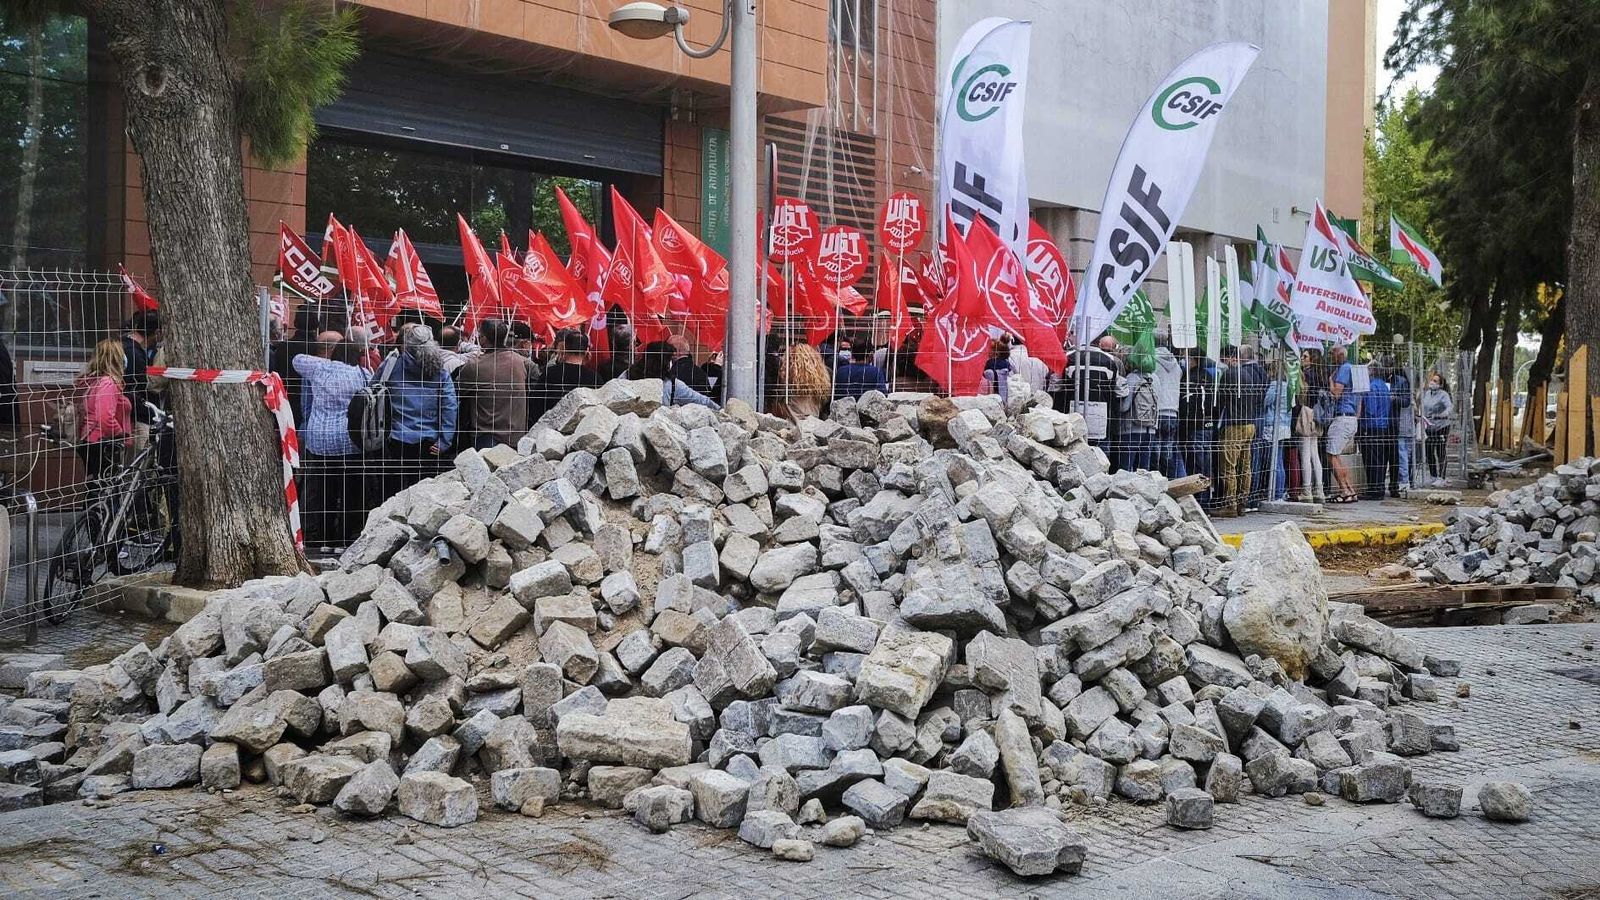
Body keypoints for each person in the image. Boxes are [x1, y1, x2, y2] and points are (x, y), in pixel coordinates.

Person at [293, 335, 367, 547]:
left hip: (319, 439)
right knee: (349, 492)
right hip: (348, 440)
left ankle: (323, 537)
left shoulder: (318, 369)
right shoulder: (362, 373)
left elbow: (297, 359)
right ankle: (344, 537)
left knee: (323, 491)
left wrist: (329, 360)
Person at [379, 324, 459, 503]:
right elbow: (449, 406)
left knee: (393, 495)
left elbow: (374, 390)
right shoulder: (439, 370)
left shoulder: (392, 365)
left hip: (396, 440)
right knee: (423, 498)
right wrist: (445, 440)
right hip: (429, 443)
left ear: (406, 344)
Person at [457, 319, 539, 450]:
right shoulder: (524, 363)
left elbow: (455, 393)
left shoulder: (474, 366)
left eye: (479, 335)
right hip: (516, 437)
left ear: (483, 338)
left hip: (486, 438)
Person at [1214, 346, 1266, 516]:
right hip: (1249, 424)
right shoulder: (1248, 374)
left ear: (1231, 358)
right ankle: (1242, 502)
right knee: (1245, 466)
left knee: (1228, 466)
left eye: (1224, 359)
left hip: (1234, 424)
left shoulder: (1229, 374)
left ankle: (1230, 504)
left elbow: (1220, 400)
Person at [75, 339, 132, 485]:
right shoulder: (108, 383)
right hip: (103, 442)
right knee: (105, 486)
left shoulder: (95, 381)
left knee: (95, 486)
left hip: (92, 440)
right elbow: (105, 416)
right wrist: (120, 434)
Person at [1060, 335, 1123, 450]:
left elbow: (1056, 386)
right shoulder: (1110, 360)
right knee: (1100, 453)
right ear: (1098, 343)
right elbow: (1119, 390)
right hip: (1101, 416)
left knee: (1072, 450)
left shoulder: (1068, 357)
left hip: (1072, 414)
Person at [531, 328, 602, 422]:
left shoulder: (550, 373)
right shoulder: (594, 378)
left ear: (565, 349)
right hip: (582, 427)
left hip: (551, 426)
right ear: (586, 352)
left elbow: (536, 405)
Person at [1178, 350, 1217, 506]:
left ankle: (1198, 500)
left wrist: (1184, 423)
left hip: (1195, 425)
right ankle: (1205, 500)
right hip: (1208, 424)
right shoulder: (1208, 376)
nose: (1184, 360)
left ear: (1193, 359)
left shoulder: (1189, 378)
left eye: (1186, 357)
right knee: (1205, 463)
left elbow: (1187, 404)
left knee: (1196, 463)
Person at [631, 340, 720, 408]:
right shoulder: (672, 384)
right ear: (666, 362)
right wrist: (720, 410)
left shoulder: (629, 375)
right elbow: (703, 401)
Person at [1324, 345, 1362, 502]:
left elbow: (1336, 393)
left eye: (1332, 354)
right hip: (1351, 418)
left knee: (1331, 456)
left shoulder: (1344, 369)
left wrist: (1330, 381)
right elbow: (1360, 400)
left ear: (1339, 354)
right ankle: (1350, 489)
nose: (1330, 357)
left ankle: (1344, 490)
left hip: (1343, 417)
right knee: (1336, 455)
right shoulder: (1354, 370)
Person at [122, 310, 160, 452]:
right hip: (139, 418)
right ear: (157, 333)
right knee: (142, 457)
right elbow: (139, 386)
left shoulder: (124, 346)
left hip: (128, 416)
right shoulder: (134, 354)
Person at [1255, 357, 1292, 504]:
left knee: (1274, 461)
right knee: (1280, 460)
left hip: (1273, 425)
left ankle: (1276, 494)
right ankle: (1280, 492)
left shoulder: (1274, 385)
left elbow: (1266, 402)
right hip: (1285, 424)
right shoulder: (1288, 386)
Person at [1357, 363, 1393, 500]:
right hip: (1383, 426)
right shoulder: (1383, 386)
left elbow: (1370, 410)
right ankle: (1379, 487)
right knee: (1380, 460)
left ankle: (1374, 489)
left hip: (1371, 427)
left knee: (1371, 460)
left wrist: (1361, 420)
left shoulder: (1371, 387)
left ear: (1371, 371)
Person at [1118, 353, 1158, 472]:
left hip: (1131, 429)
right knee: (1143, 471)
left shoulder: (1131, 378)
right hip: (1150, 430)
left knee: (1126, 470)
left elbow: (1124, 407)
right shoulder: (1155, 379)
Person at [770, 342, 831, 421]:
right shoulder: (822, 377)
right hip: (814, 420)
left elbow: (781, 397)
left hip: (793, 420)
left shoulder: (789, 377)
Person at [1152, 339, 1184, 478]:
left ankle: (1156, 478)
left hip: (1158, 411)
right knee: (1168, 450)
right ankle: (1169, 479)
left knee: (1155, 449)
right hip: (1173, 412)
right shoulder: (1177, 365)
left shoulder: (1152, 362)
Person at [1293, 381, 1326, 503]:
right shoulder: (1318, 384)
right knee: (1315, 456)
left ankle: (1307, 489)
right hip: (1316, 418)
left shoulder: (1302, 387)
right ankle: (1319, 489)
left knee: (1305, 457)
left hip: (1305, 418)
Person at [1421, 373, 1454, 486]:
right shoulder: (1427, 394)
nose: (1432, 382)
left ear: (1440, 384)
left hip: (1441, 426)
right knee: (1429, 451)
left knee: (1440, 451)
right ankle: (1433, 475)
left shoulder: (1443, 395)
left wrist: (1443, 414)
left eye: (1435, 381)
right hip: (1429, 426)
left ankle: (1441, 477)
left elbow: (1449, 407)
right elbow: (1423, 406)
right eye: (1432, 380)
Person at [834, 333, 889, 400]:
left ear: (852, 354)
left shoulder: (841, 371)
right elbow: (882, 396)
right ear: (870, 355)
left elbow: (837, 395)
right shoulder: (876, 372)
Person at [1388, 359, 1415, 495]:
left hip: (1401, 426)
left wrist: (1394, 399)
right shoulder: (1403, 385)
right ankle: (1405, 480)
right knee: (1403, 454)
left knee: (1402, 454)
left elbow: (1405, 403)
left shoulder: (1401, 384)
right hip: (1400, 425)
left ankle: (1404, 482)